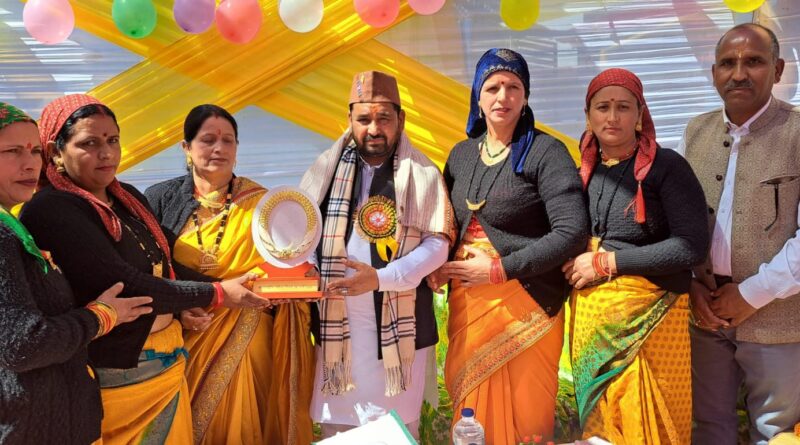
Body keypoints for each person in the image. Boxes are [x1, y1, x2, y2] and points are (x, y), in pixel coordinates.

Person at [20, 94, 266, 445]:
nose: (106, 153)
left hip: (166, 364)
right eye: (89, 143)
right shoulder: (52, 209)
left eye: (112, 140)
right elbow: (127, 284)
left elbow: (166, 266)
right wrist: (217, 292)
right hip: (115, 375)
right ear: (55, 152)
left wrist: (220, 287)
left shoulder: (127, 197)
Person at [429, 48, 588, 444]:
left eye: (514, 87)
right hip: (470, 304)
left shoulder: (547, 152)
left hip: (527, 302)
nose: (503, 96)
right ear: (477, 96)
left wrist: (499, 270)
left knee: (527, 417)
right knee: (472, 418)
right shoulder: (460, 155)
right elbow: (446, 224)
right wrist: (436, 264)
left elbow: (571, 232)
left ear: (526, 96)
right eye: (493, 87)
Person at [145, 104, 315, 445]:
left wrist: (298, 280)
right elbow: (152, 268)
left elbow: (287, 265)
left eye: (227, 140)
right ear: (186, 147)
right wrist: (182, 307)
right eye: (207, 140)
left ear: (237, 148)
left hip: (249, 333)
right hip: (188, 332)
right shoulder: (159, 199)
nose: (218, 148)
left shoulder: (265, 204)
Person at [300, 71, 455, 439]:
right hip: (338, 328)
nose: (373, 128)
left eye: (383, 118)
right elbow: (302, 231)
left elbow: (438, 243)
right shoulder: (324, 170)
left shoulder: (422, 173)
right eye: (364, 119)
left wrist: (381, 279)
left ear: (400, 119)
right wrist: (308, 268)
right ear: (350, 120)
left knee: (393, 431)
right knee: (338, 431)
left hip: (399, 329)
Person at [564, 68, 708, 444]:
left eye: (624, 107)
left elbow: (691, 246)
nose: (612, 117)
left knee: (652, 427)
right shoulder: (582, 171)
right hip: (593, 330)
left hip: (653, 328)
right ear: (588, 115)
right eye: (603, 107)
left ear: (640, 114)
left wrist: (607, 262)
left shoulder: (667, 166)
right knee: (602, 430)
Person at [0, 101, 153, 443]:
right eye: (12, 151)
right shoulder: (10, 231)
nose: (30, 163)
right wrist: (101, 316)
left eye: (34, 151)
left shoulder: (11, 227)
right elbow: (22, 344)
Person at [682, 23, 800, 444]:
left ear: (778, 69)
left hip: (777, 315)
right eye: (727, 63)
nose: (739, 73)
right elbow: (682, 222)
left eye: (753, 62)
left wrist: (750, 294)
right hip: (706, 313)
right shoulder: (696, 132)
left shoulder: (797, 132)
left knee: (776, 432)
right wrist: (692, 285)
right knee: (709, 429)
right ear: (713, 72)